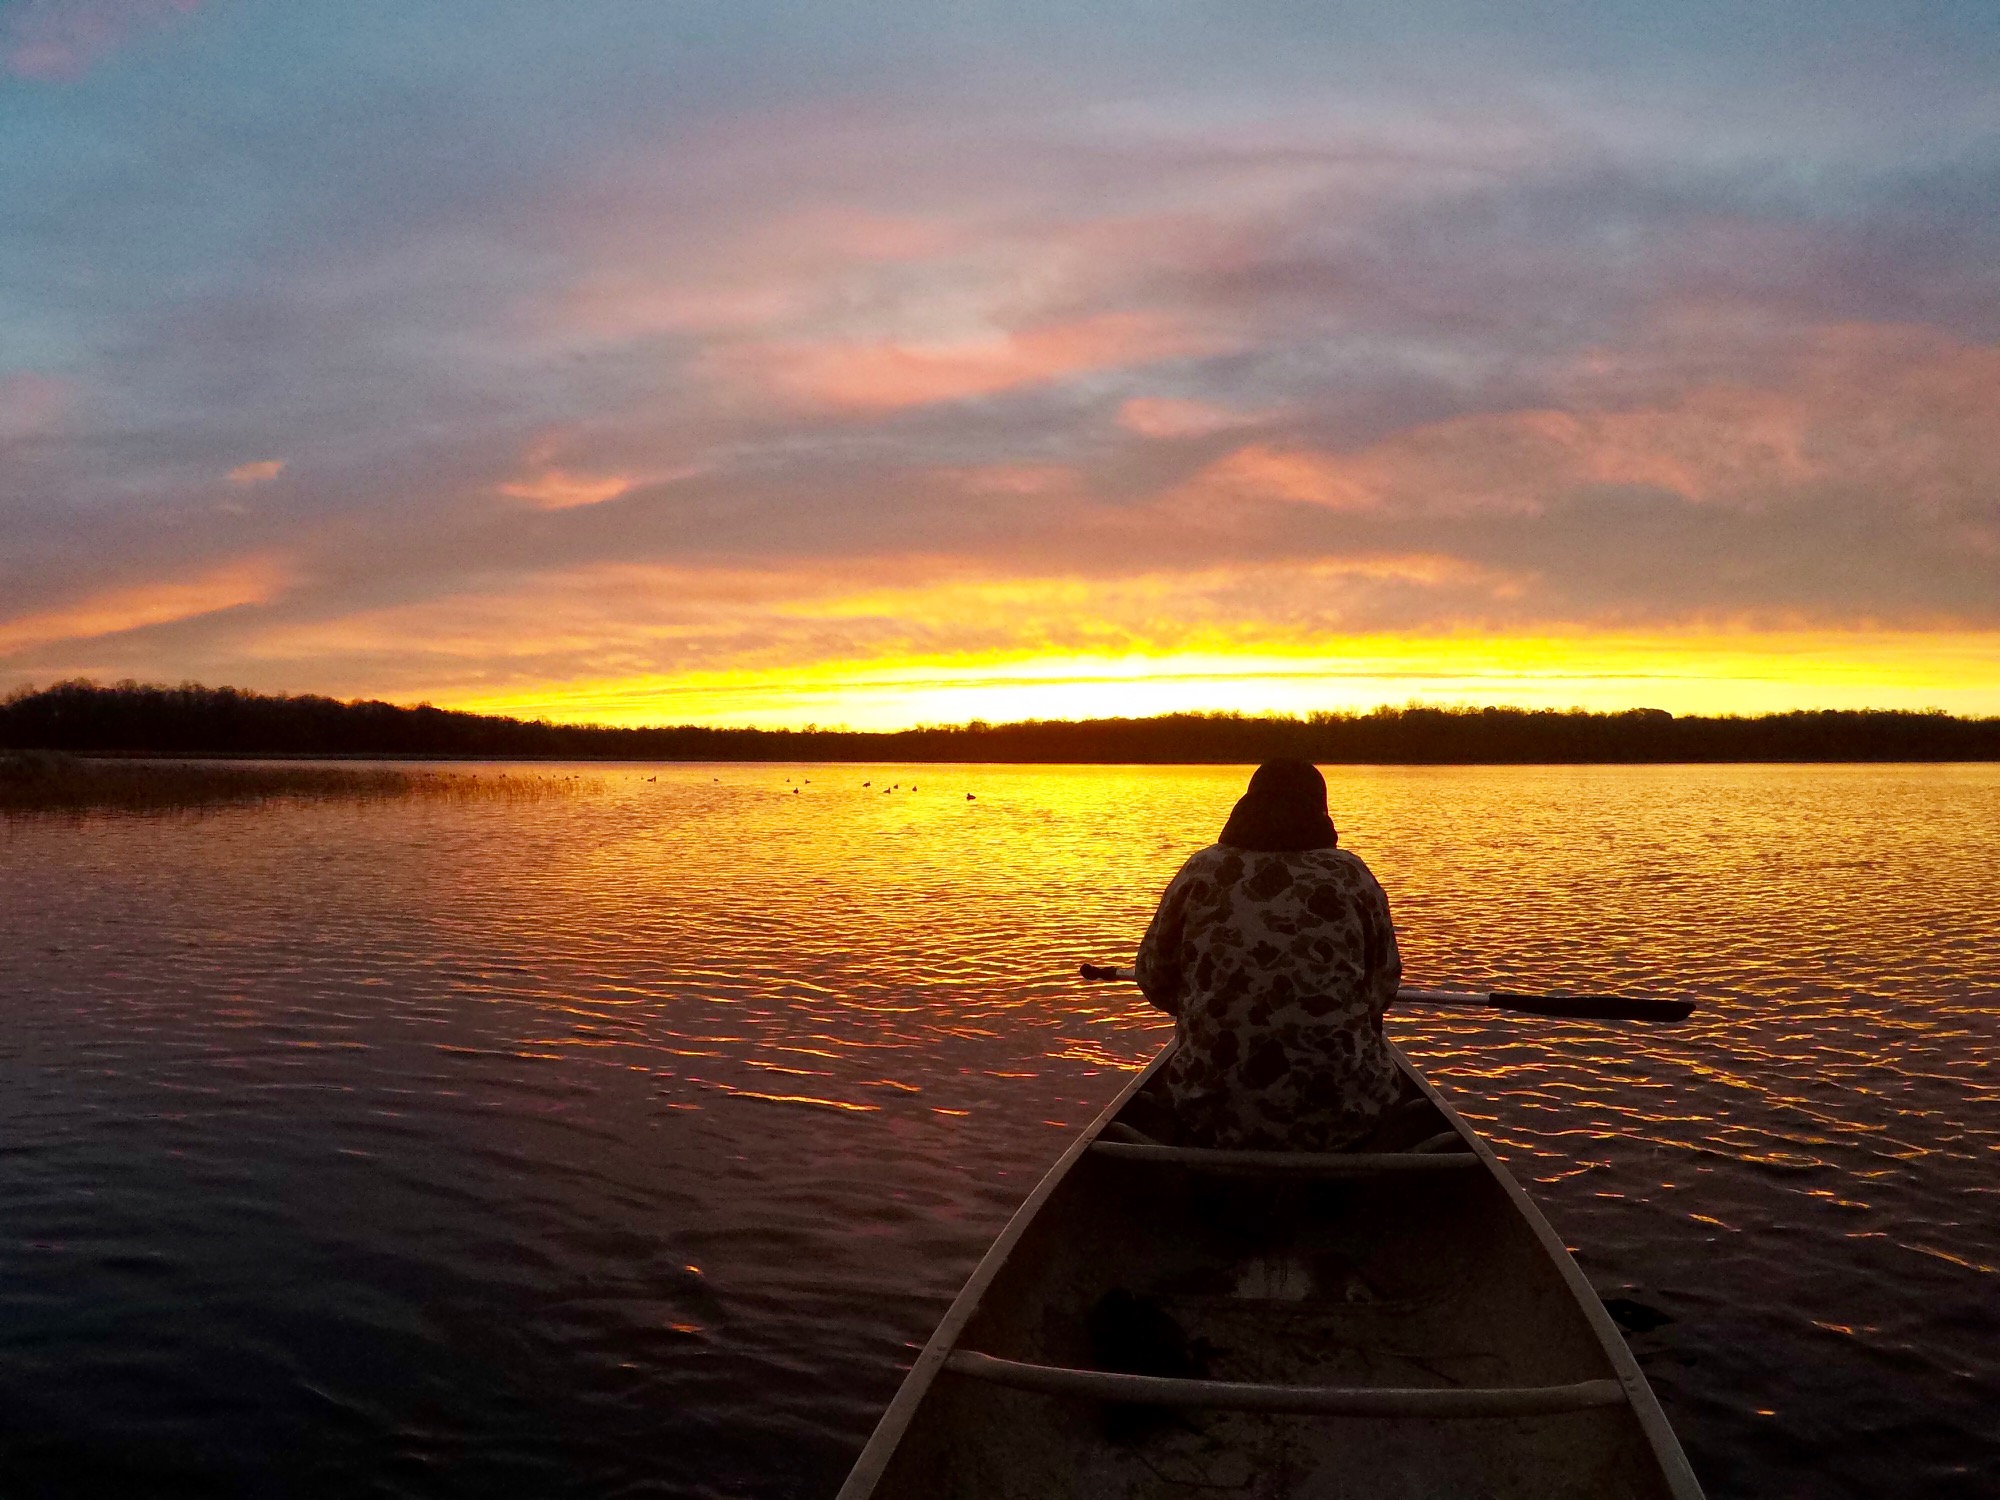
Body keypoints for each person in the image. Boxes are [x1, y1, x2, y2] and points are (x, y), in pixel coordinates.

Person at [1133, 759, 1405, 1150]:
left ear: (1247, 804)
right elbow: (1383, 989)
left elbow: (1153, 980)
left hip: (1209, 1113)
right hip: (1344, 1113)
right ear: (1320, 809)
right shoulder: (1352, 876)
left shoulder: (1201, 871)